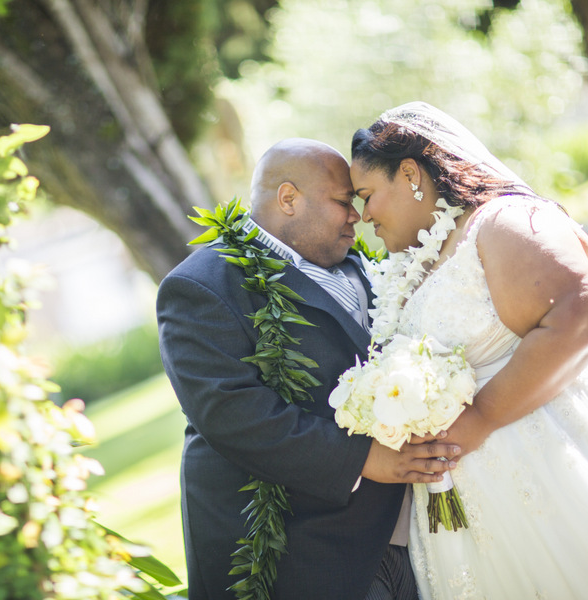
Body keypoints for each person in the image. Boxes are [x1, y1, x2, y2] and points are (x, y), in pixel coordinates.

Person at [349, 101, 588, 599]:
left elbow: (579, 316)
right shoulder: (417, 265)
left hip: (565, 472)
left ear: (410, 173)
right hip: (477, 519)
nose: (363, 214)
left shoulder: (501, 222)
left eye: (368, 195)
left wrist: (479, 416)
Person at [157, 138, 461, 599]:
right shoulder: (200, 286)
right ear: (288, 199)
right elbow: (232, 413)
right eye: (344, 202)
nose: (357, 215)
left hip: (410, 536)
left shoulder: (366, 264)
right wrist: (364, 459)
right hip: (301, 558)